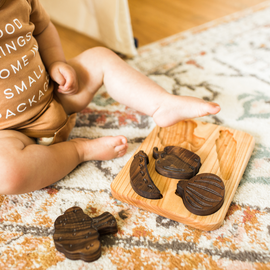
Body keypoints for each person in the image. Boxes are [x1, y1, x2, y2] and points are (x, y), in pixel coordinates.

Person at [0, 0, 220, 195]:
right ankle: (79, 151)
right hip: (12, 134)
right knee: (7, 173)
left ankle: (161, 104)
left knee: (100, 57)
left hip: (54, 96)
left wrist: (57, 62)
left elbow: (43, 28)